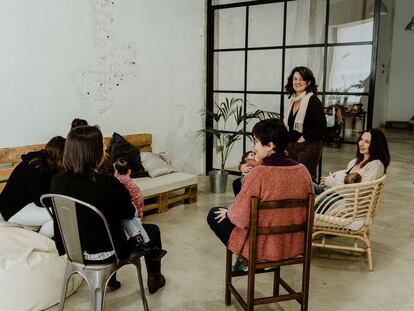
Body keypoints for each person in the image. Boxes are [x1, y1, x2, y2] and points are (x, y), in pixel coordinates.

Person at [50, 125, 166, 294]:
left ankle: (111, 280)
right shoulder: (108, 184)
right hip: (105, 253)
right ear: (93, 152)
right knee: (152, 230)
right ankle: (155, 278)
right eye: (101, 145)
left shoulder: (57, 180)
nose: (105, 148)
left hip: (73, 250)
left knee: (101, 226)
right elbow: (128, 213)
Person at [207, 119, 313, 271]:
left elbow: (241, 218)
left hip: (263, 248)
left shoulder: (259, 173)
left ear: (270, 146)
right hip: (294, 245)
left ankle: (248, 262)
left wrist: (229, 212)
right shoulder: (303, 171)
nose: (252, 146)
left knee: (214, 214)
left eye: (255, 141)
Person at [0, 136, 66, 238]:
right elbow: (41, 201)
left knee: (61, 211)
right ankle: (41, 240)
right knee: (60, 215)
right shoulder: (37, 169)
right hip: (12, 209)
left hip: (24, 203)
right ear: (59, 157)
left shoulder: (44, 160)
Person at [113, 157, 167, 261]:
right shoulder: (127, 177)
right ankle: (149, 244)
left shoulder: (119, 180)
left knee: (131, 221)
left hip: (131, 204)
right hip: (135, 201)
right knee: (136, 222)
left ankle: (142, 243)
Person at [314, 128, 390, 194]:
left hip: (343, 202)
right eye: (361, 139)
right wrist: (332, 177)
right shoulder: (354, 162)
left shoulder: (376, 165)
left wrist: (331, 182)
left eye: (367, 142)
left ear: (376, 145)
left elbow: (360, 192)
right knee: (305, 182)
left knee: (305, 190)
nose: (361, 144)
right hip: (330, 193)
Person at [284, 66, 326, 181]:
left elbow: (322, 127)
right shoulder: (293, 101)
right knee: (292, 180)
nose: (297, 82)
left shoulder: (313, 100)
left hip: (308, 147)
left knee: (306, 180)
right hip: (293, 146)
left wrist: (304, 137)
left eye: (301, 79)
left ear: (308, 82)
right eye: (295, 79)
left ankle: (314, 198)